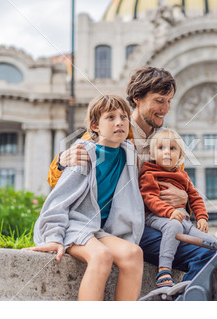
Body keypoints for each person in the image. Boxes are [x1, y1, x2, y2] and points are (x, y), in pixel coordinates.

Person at [47, 67, 215, 282]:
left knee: (216, 250)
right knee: (205, 253)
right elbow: (57, 179)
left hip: (161, 221)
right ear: (137, 98)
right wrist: (61, 161)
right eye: (159, 100)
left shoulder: (164, 139)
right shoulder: (114, 129)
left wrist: (185, 200)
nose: (165, 109)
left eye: (169, 101)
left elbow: (182, 182)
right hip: (126, 225)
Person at [24, 95, 145, 301]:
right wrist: (53, 237)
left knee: (133, 254)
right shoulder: (84, 154)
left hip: (97, 229)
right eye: (110, 117)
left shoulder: (128, 155)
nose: (119, 122)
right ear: (95, 126)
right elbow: (59, 199)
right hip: (73, 225)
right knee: (101, 256)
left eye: (124, 117)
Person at [139, 129, 217, 287]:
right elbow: (149, 198)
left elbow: (195, 197)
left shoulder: (183, 176)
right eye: (161, 148)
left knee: (213, 243)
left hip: (184, 222)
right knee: (174, 225)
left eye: (172, 148)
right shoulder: (150, 174)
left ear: (180, 156)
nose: (167, 152)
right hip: (157, 217)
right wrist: (169, 211)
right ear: (152, 154)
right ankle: (164, 270)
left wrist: (202, 217)